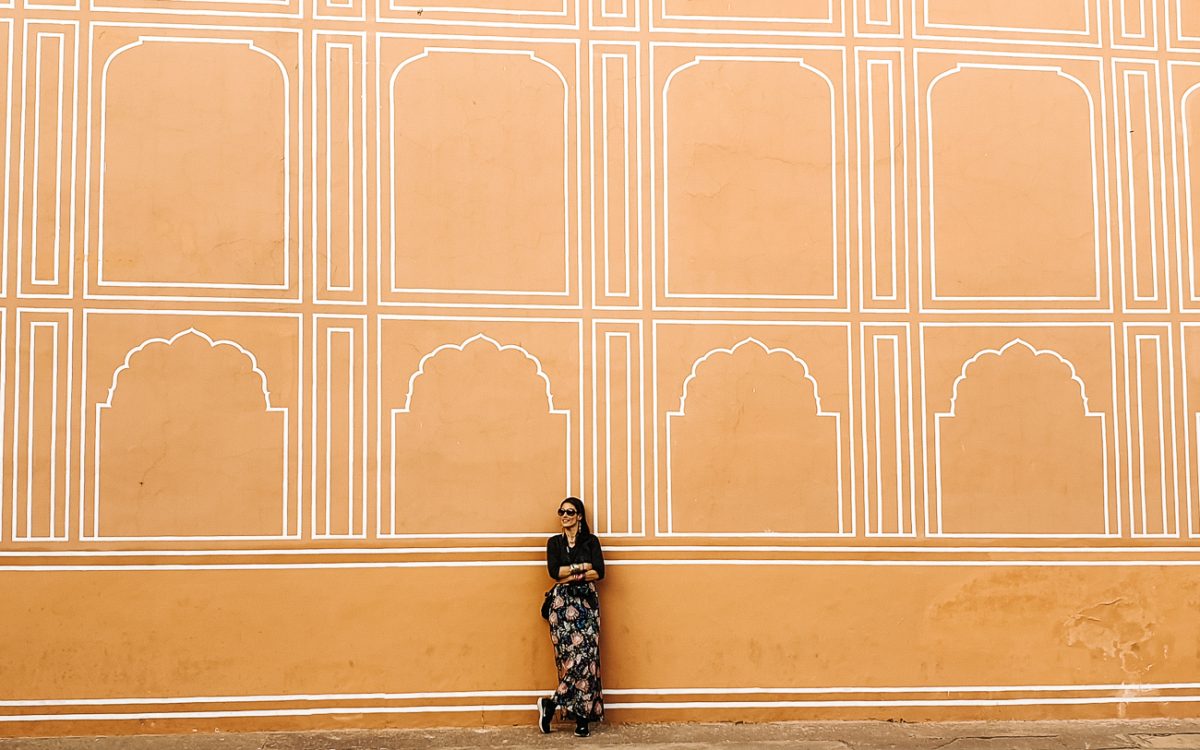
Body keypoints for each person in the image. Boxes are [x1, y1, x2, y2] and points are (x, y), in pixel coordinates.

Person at [537, 496, 605, 737]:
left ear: (579, 516)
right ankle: (581, 721)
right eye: (561, 512)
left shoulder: (591, 541)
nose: (564, 516)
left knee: (586, 656)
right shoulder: (554, 543)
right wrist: (584, 568)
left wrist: (572, 573)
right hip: (561, 605)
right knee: (570, 659)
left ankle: (553, 703)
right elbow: (555, 573)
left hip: (586, 604)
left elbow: (600, 571)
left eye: (569, 512)